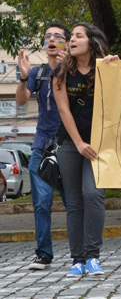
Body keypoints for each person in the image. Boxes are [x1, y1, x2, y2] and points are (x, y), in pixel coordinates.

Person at [53, 23, 113, 277]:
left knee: (94, 195)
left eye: (79, 36)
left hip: (98, 146)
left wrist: (115, 69)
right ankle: (77, 260)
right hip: (70, 144)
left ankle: (93, 257)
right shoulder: (61, 73)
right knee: (75, 203)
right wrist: (78, 143)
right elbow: (64, 111)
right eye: (71, 37)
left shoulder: (106, 70)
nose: (72, 40)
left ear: (92, 42)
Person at [15, 23, 70, 270]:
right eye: (48, 36)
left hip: (69, 146)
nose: (51, 39)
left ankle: (82, 254)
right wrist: (24, 75)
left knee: (74, 203)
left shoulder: (74, 70)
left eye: (57, 36)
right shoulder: (37, 73)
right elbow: (21, 100)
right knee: (41, 202)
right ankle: (43, 254)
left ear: (66, 43)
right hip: (41, 146)